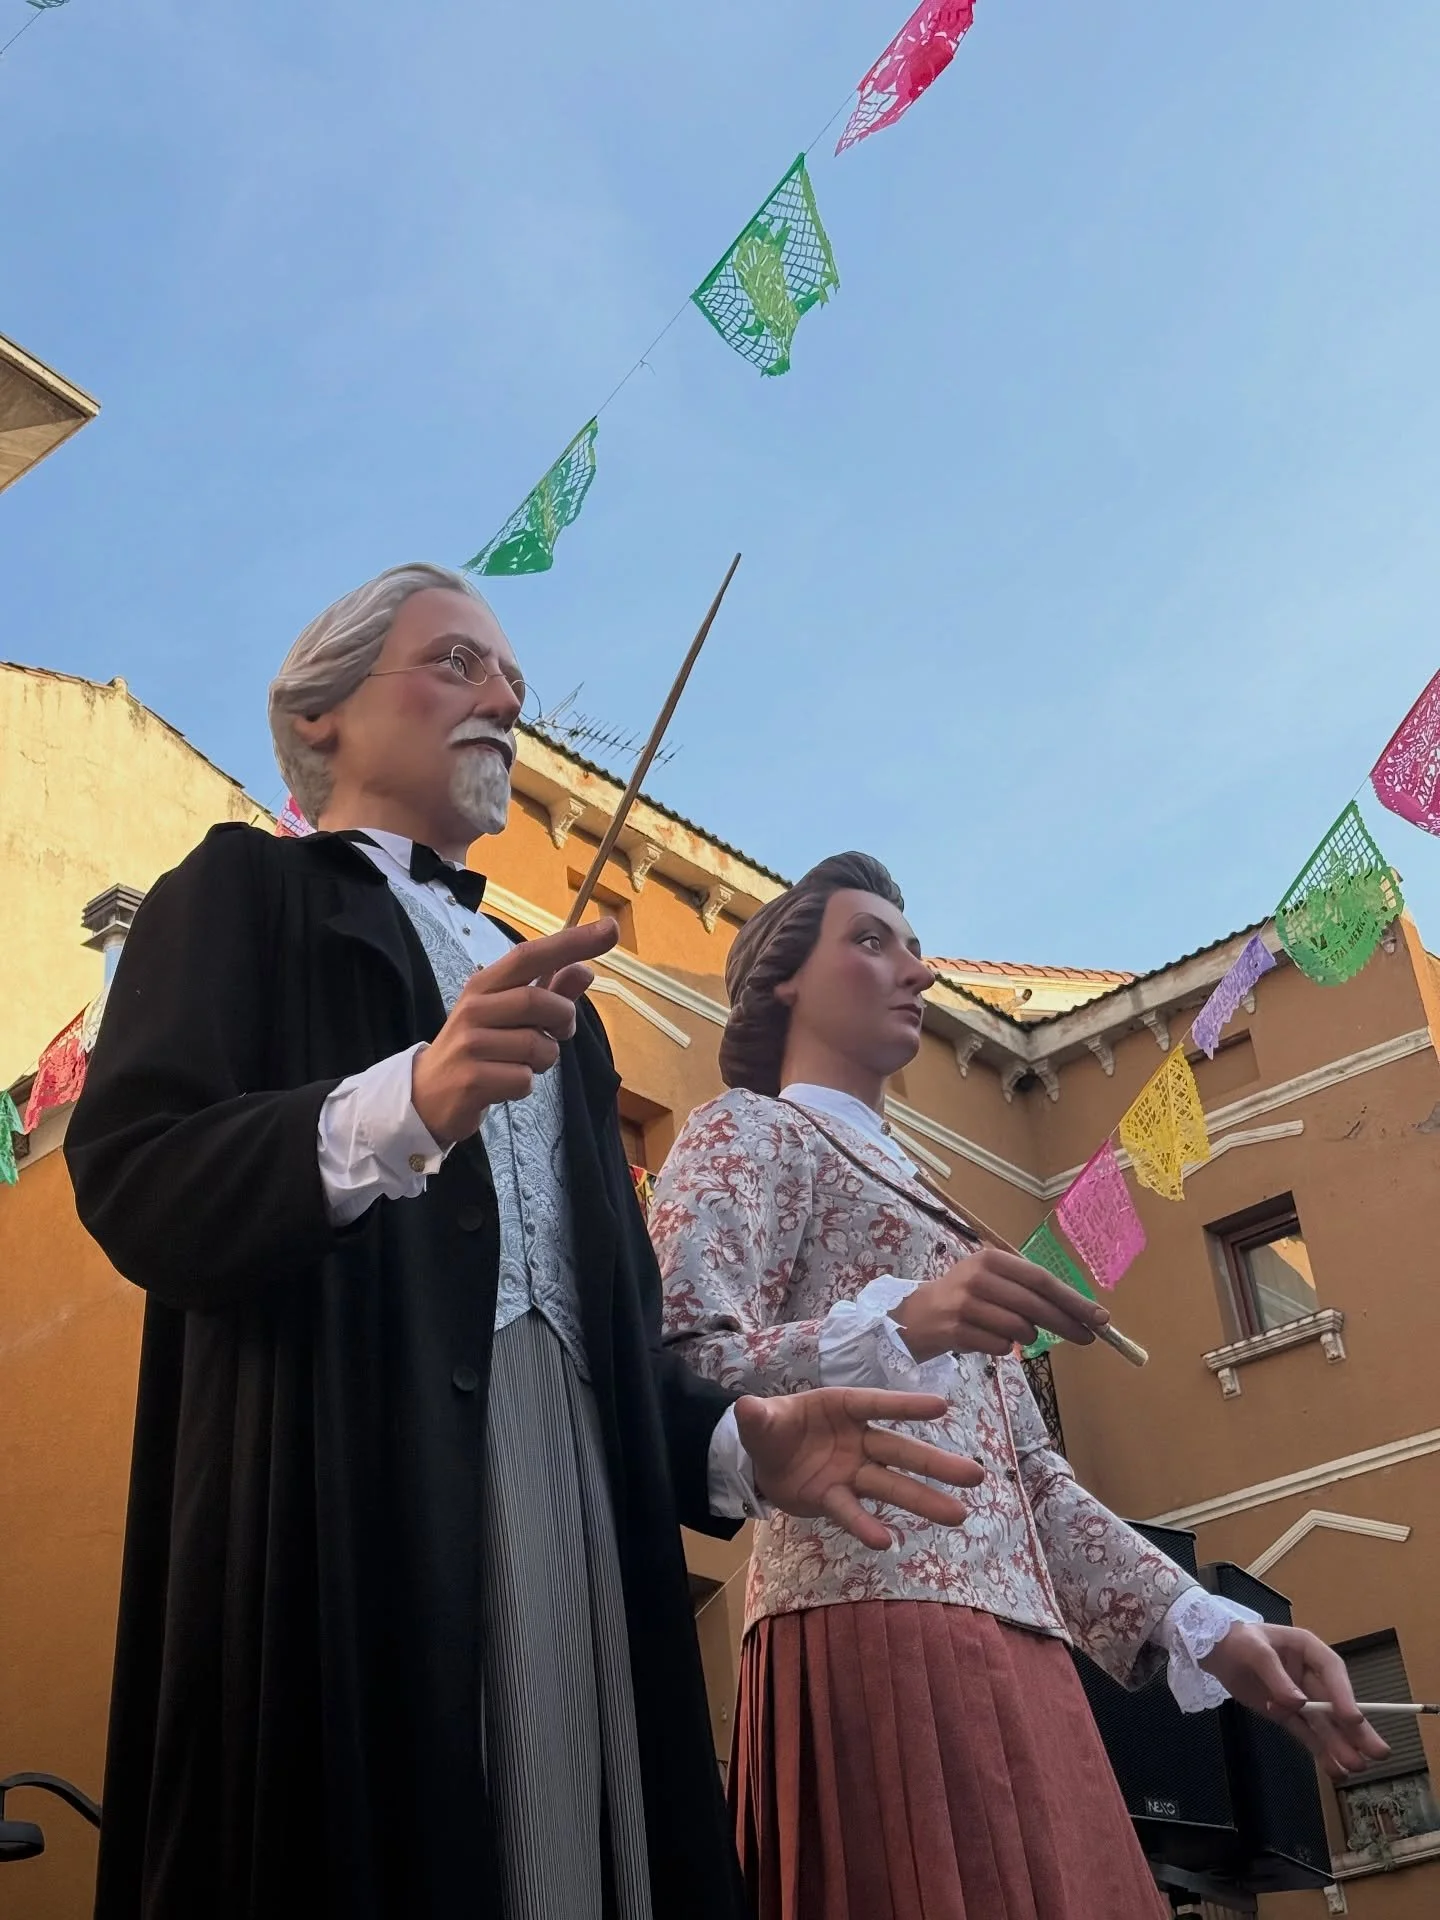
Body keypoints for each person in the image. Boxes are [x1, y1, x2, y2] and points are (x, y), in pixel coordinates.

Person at [64, 576, 980, 1920]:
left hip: (585, 1506)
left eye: (512, 682)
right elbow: (136, 1176)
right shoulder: (239, 890)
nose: (506, 703)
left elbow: (611, 1315)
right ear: (316, 714)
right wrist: (409, 1099)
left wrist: (736, 1443)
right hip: (349, 1493)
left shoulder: (564, 1008)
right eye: (458, 665)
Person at [651, 852, 1388, 1920]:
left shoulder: (940, 1203)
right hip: (873, 1619)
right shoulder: (746, 1132)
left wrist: (1207, 1624)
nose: (914, 970)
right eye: (869, 941)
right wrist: (899, 1324)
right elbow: (689, 1370)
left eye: (914, 947)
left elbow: (1030, 1478)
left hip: (1026, 1649)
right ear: (781, 982)